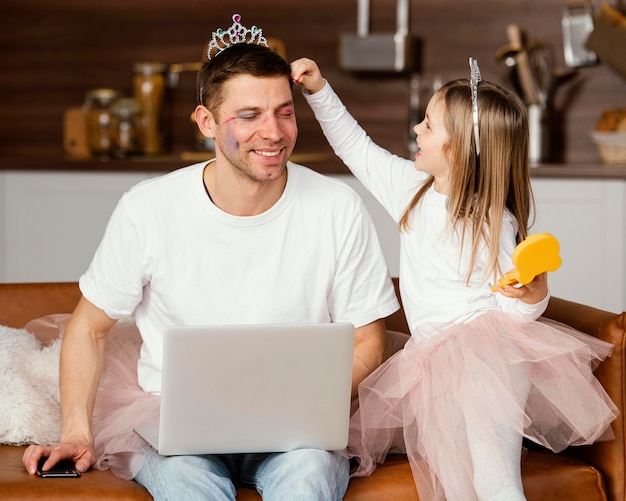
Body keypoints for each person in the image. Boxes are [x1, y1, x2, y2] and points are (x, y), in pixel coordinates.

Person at [22, 15, 400, 501]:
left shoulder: (338, 207)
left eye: (284, 112)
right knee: (187, 484)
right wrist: (76, 432)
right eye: (248, 116)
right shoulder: (148, 207)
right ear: (206, 122)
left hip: (296, 433)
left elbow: (367, 341)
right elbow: (89, 328)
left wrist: (300, 403)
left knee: (307, 478)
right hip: (173, 425)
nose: (273, 132)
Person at [291, 57, 618, 501]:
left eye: (428, 125)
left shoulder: (492, 221)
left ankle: (503, 446)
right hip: (430, 364)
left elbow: (514, 311)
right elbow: (355, 146)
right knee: (455, 480)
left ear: (460, 147)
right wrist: (318, 90)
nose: (417, 130)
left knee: (494, 480)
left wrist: (533, 294)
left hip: (487, 359)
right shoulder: (411, 189)